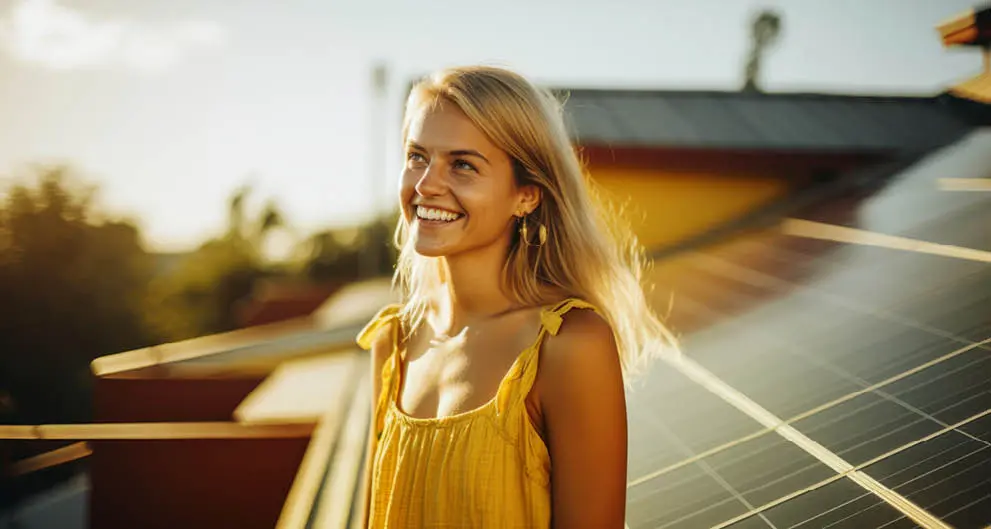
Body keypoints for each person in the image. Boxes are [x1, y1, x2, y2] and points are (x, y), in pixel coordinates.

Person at [356, 65, 675, 528]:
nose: (426, 186)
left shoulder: (569, 345)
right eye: (417, 157)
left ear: (526, 196)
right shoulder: (394, 343)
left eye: (462, 165)